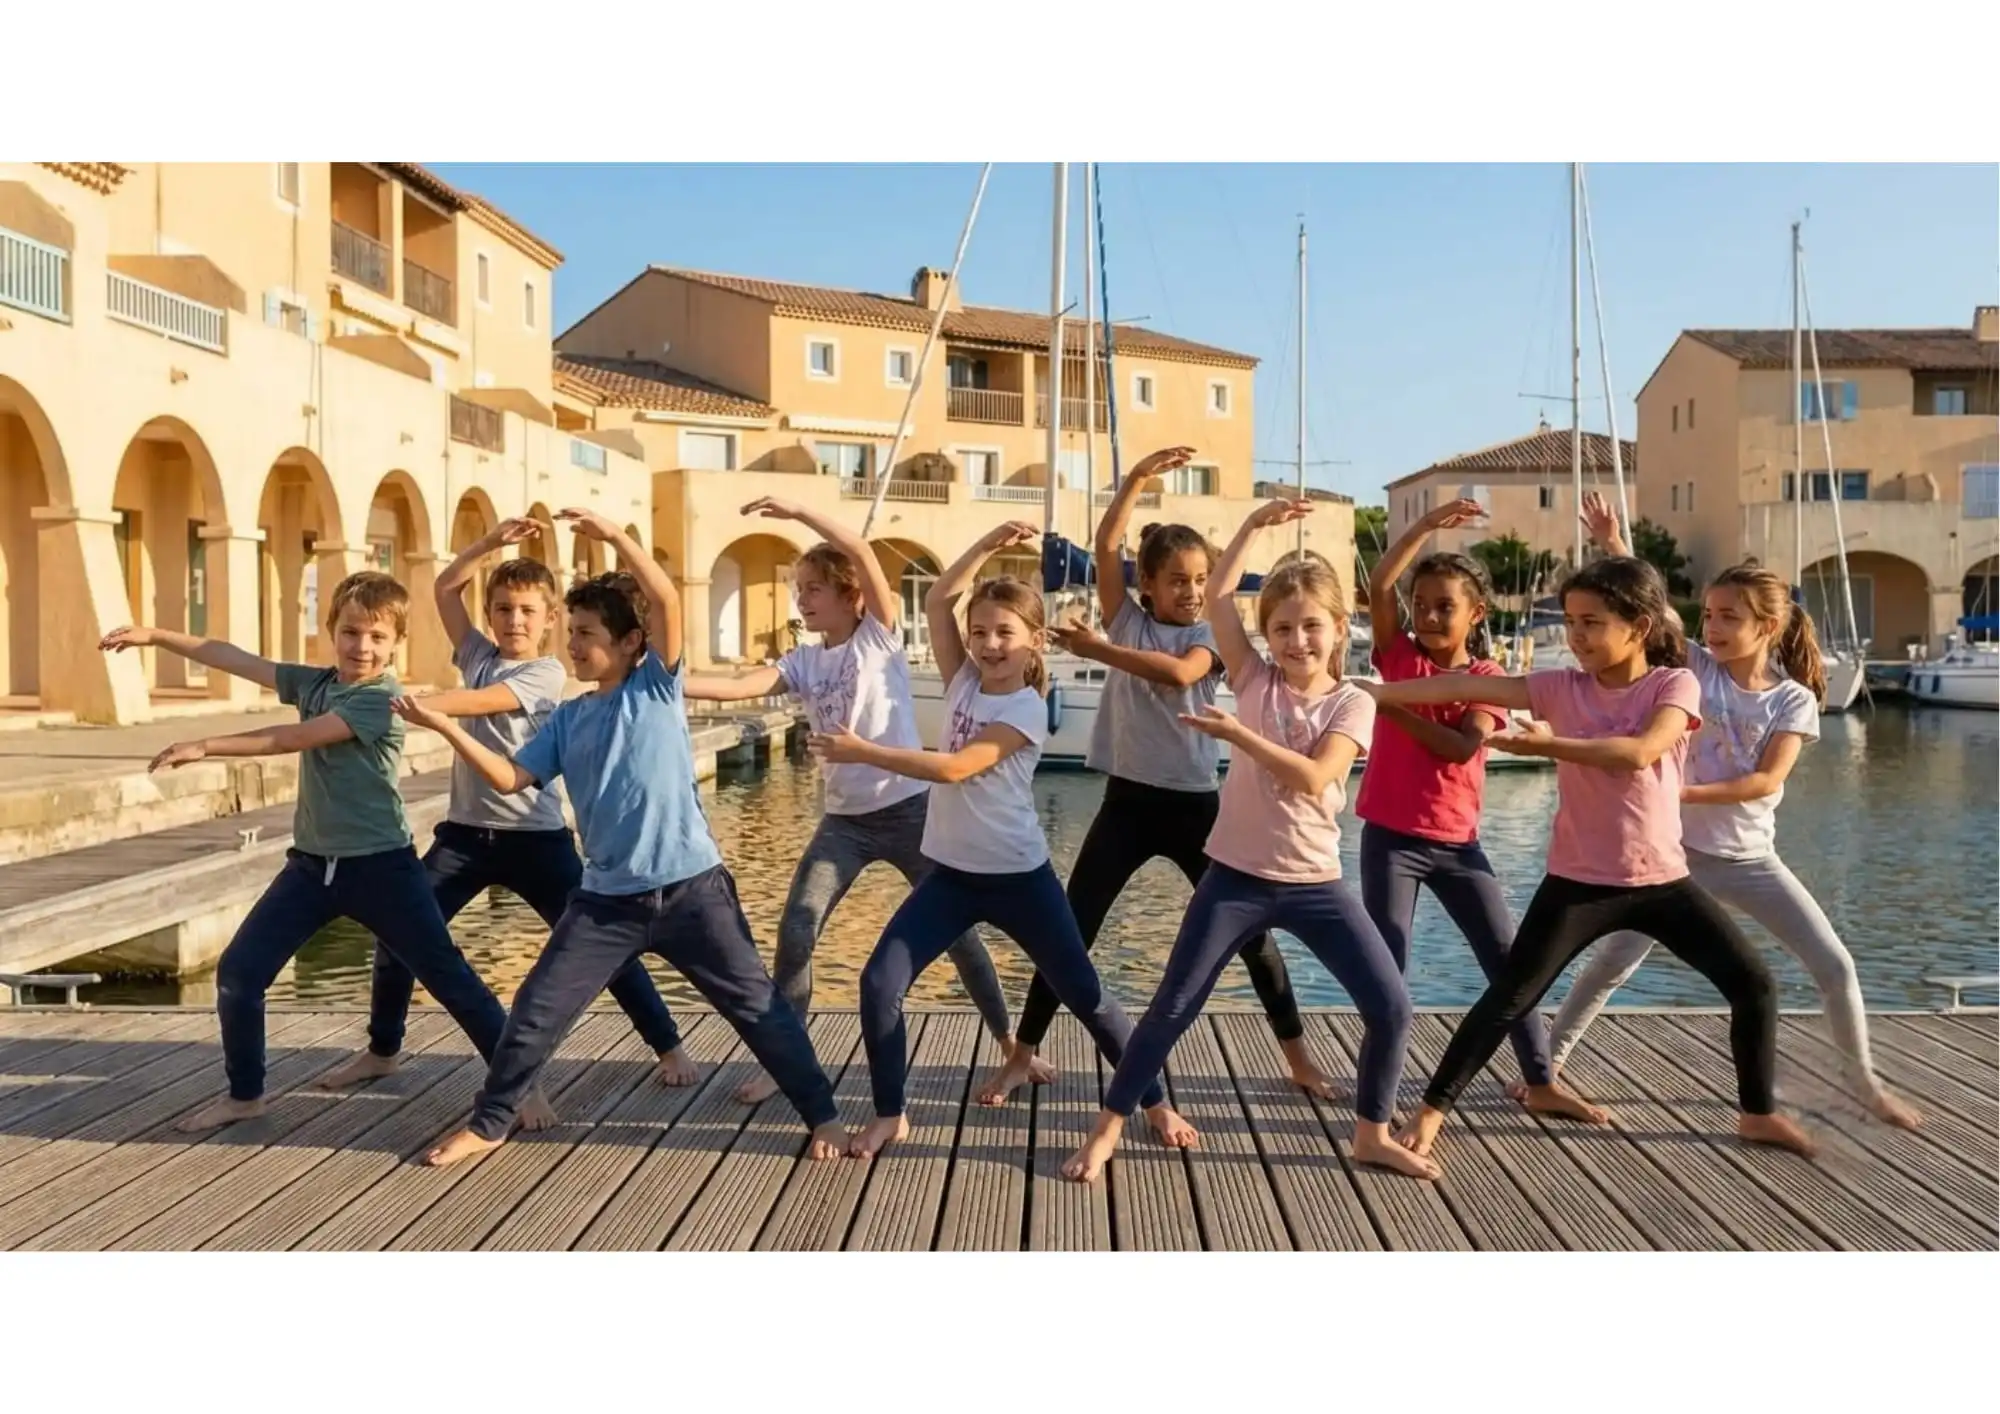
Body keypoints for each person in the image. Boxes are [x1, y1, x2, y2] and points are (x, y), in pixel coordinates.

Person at [403, 510, 845, 1168]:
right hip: (605, 901)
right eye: (572, 633)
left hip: (694, 892)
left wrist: (615, 538)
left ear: (631, 640)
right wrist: (445, 727)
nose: (573, 646)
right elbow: (512, 775)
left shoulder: (655, 688)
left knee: (758, 1009)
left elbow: (665, 597)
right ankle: (491, 1122)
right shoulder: (568, 716)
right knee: (535, 1011)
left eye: (585, 634)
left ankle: (823, 1115)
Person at [1364, 554, 1818, 1164]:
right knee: (1508, 997)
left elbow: (1639, 752)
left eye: (1591, 623)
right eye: (1571, 622)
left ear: (1637, 625)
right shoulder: (1561, 686)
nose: (1576, 637)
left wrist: (1550, 743)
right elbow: (1465, 684)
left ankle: (1757, 1114)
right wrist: (1382, 693)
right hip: (1576, 884)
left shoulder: (1672, 685)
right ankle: (1431, 1111)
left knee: (1753, 984)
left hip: (1662, 882)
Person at [1063, 499, 1435, 1185]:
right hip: (1233, 880)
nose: (1298, 641)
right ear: (1267, 636)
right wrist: (1253, 527)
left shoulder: (1352, 700)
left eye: (1312, 627)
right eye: (1284, 629)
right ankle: (1107, 1129)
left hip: (1316, 886)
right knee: (1173, 1005)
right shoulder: (1251, 677)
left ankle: (1371, 1133)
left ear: (1339, 626)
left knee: (1391, 1006)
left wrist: (1242, 738)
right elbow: (1225, 594)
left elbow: (1318, 775)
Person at [1530, 494, 1920, 1128]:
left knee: (1834, 964)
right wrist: (1612, 542)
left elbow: (1764, 781)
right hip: (1672, 859)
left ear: (1766, 627)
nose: (1711, 627)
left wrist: (1672, 793)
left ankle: (1863, 1084)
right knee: (1611, 963)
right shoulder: (1691, 669)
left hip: (1748, 859)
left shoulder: (1793, 701)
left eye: (1727, 617)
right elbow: (1646, 607)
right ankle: (1546, 1068)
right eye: (1708, 614)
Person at [811, 521, 1197, 1160]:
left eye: (1005, 634)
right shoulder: (962, 681)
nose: (990, 645)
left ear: (1035, 643)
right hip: (951, 878)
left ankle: (1153, 1100)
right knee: (879, 981)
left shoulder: (1022, 709)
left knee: (1089, 997)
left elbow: (957, 768)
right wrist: (987, 543)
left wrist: (864, 751)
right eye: (981, 632)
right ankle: (889, 1114)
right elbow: (938, 600)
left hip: (1020, 880)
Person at [100, 573, 533, 1135]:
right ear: (331, 630)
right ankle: (246, 1095)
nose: (362, 647)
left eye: (377, 638)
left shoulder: (380, 699)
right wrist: (155, 636)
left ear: (394, 643)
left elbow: (290, 740)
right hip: (310, 868)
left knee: (450, 978)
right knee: (239, 973)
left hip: (382, 869)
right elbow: (232, 656)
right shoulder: (316, 684)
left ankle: (520, 1086)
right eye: (351, 632)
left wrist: (206, 745)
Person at [976, 448, 1331, 1108]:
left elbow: (1180, 675)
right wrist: (1138, 478)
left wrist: (1095, 650)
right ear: (1148, 586)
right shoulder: (1129, 619)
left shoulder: (1207, 637)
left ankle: (1300, 1058)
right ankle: (1022, 1054)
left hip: (1198, 809)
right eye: (1176, 580)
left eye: (1199, 579)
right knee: (1070, 930)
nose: (1191, 591)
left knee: (1252, 939)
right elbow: (1108, 543)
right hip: (1127, 804)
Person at [316, 519, 697, 1093]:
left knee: (605, 944)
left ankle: (666, 1043)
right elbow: (445, 589)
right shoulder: (475, 654)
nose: (513, 621)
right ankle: (382, 1049)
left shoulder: (545, 673)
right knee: (398, 934)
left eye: (525, 611)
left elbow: (482, 701)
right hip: (466, 837)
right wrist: (490, 545)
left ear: (549, 621)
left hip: (536, 841)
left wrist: (406, 703)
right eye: (501, 609)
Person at [684, 496, 1020, 1106]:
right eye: (798, 589)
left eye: (814, 588)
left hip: (911, 811)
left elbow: (864, 553)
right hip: (844, 823)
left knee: (960, 935)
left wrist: (798, 511)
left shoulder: (878, 638)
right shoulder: (806, 661)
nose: (802, 599)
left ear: (850, 596)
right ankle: (788, 1058)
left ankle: (1009, 1044)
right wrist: (666, 679)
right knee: (797, 930)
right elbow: (739, 687)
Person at [1358, 497, 1604, 1125]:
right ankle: (1376, 1101)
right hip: (1390, 842)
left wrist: (1389, 706)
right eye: (1423, 605)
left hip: (1458, 847)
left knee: (1510, 962)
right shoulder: (1398, 656)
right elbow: (1381, 581)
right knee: (1387, 970)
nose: (1430, 615)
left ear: (1477, 614)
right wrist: (1422, 526)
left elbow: (1464, 746)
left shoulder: (1488, 676)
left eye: (1446, 607)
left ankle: (1541, 1079)